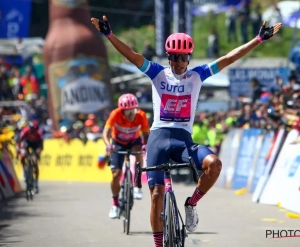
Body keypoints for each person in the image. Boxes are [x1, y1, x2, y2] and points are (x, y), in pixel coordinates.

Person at [91, 15, 282, 246]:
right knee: (156, 196)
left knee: (214, 164)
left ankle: (191, 204)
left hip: (183, 140)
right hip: (158, 138)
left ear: (189, 58)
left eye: (183, 57)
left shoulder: (198, 75)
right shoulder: (157, 72)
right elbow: (132, 56)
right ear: (169, 57)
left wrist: (258, 40)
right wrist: (110, 35)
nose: (178, 62)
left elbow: (229, 58)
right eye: (174, 57)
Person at [102, 93, 150, 219]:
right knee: (116, 175)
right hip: (118, 143)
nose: (131, 114)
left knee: (139, 152)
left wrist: (145, 145)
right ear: (122, 111)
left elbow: (146, 134)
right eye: (127, 111)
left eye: (133, 110)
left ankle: (137, 185)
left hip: (134, 141)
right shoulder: (115, 114)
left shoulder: (141, 115)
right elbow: (105, 132)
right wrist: (108, 145)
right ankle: (115, 204)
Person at [18, 120, 44, 193]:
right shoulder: (25, 131)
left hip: (36, 144)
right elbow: (19, 141)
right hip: (27, 142)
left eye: (34, 130)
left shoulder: (39, 133)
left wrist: (39, 150)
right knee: (23, 154)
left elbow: (41, 146)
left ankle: (36, 183)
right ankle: (24, 169)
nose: (32, 132)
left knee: (35, 162)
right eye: (31, 130)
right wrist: (20, 149)